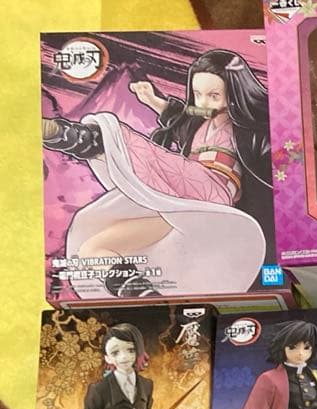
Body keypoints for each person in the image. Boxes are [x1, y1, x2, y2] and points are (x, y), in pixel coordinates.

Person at [42, 49, 271, 298]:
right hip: (185, 205)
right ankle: (142, 294)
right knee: (93, 249)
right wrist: (152, 100)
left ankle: (82, 139)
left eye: (214, 95)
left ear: (234, 94)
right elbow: (182, 115)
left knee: (154, 158)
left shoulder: (247, 127)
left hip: (212, 192)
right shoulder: (199, 120)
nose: (203, 103)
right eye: (198, 94)